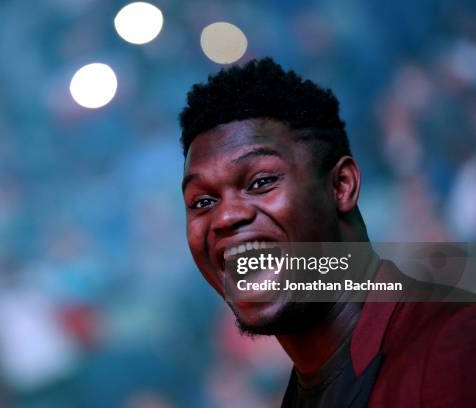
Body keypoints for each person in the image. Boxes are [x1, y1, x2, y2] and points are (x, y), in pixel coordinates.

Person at [179, 58, 476, 407]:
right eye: (201, 201)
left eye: (261, 181)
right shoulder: (311, 387)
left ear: (341, 185)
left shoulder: (454, 348)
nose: (225, 216)